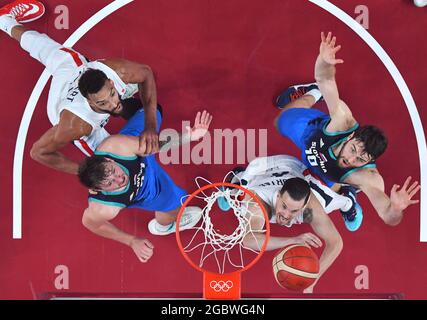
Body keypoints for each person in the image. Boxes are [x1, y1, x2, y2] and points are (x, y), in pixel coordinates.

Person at [274, 32, 420, 231]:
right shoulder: (343, 121)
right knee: (281, 120)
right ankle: (312, 93)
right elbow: (325, 79)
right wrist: (324, 62)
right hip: (311, 136)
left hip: (327, 175)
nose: (351, 161)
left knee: (318, 196)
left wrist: (395, 208)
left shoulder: (368, 176)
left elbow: (388, 216)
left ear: (369, 161)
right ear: (351, 136)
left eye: (360, 159)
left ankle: (348, 199)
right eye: (353, 150)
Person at [0, 0, 160, 175]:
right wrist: (85, 174)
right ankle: (5, 21)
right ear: (89, 100)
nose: (112, 104)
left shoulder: (117, 70)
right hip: (64, 110)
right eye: (103, 103)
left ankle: (4, 21)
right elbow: (38, 152)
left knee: (42, 45)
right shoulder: (78, 125)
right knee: (118, 165)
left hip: (71, 68)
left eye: (112, 94)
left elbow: (146, 74)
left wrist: (150, 125)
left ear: (111, 82)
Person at [78, 107, 213, 263]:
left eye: (113, 171)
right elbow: (92, 224)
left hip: (135, 149)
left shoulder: (115, 146)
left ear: (109, 160)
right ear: (97, 190)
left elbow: (154, 146)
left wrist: (190, 136)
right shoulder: (104, 208)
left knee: (153, 111)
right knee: (179, 202)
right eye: (109, 183)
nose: (119, 179)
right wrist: (130, 240)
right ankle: (164, 226)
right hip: (149, 190)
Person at [219, 155, 345, 293]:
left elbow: (336, 242)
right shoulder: (259, 204)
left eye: (294, 210)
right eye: (284, 206)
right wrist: (293, 240)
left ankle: (348, 199)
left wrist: (312, 281)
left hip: (294, 166)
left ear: (303, 206)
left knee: (332, 196)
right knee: (240, 193)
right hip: (262, 171)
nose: (286, 215)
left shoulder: (310, 208)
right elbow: (249, 240)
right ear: (278, 196)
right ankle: (234, 183)